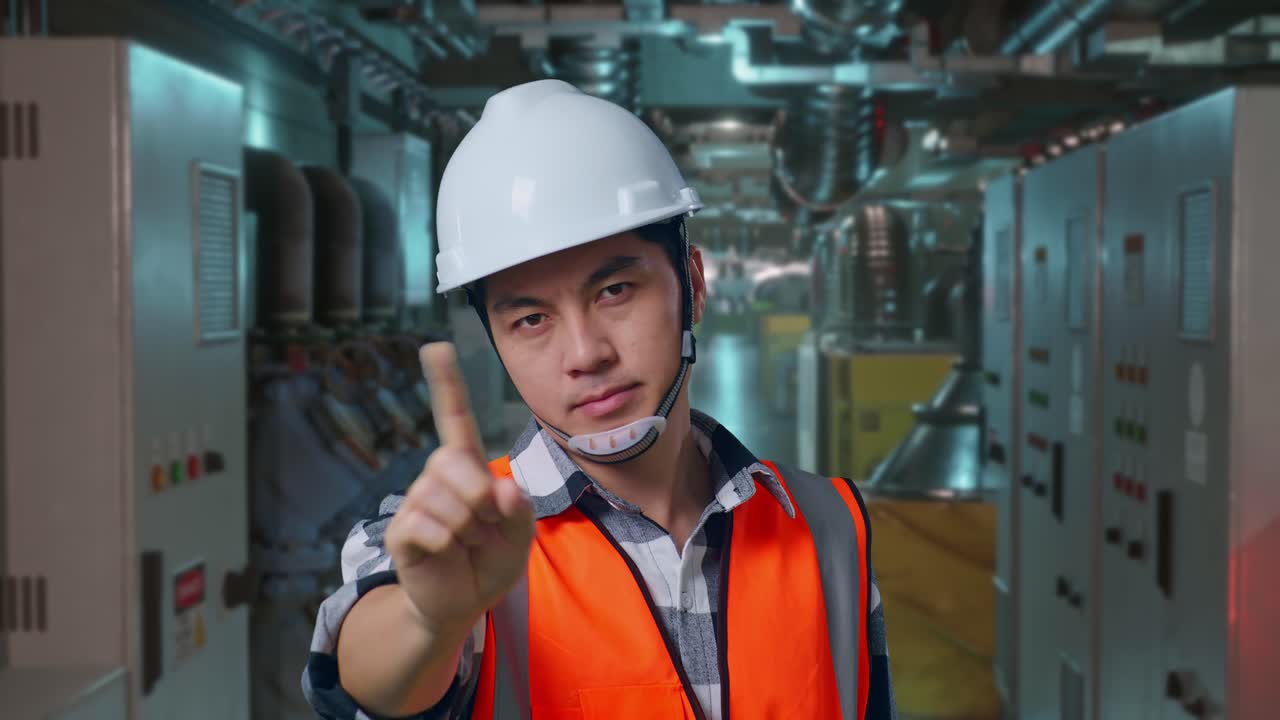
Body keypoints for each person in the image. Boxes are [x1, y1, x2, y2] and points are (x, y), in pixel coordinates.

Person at [301, 79, 897, 720]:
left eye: (614, 291)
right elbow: (368, 677)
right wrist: (429, 620)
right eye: (531, 320)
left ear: (693, 286)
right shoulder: (461, 544)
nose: (585, 353)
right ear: (496, 341)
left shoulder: (828, 523)